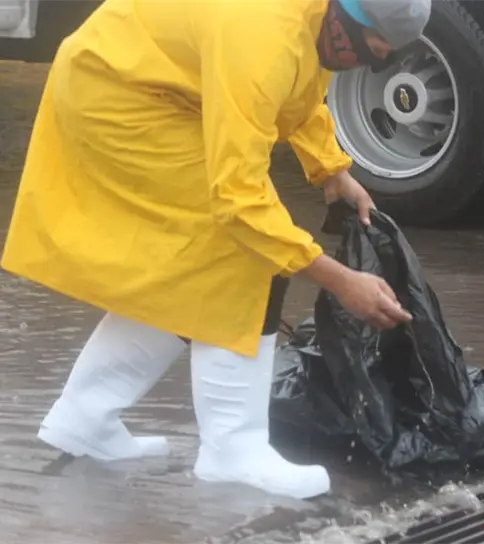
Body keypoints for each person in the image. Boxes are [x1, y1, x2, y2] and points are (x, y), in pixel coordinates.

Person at [0, 0, 430, 500]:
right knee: (240, 252)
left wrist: (333, 170)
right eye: (371, 51)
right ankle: (234, 451)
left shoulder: (314, 23)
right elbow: (239, 201)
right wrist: (341, 281)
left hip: (154, 84)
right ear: (346, 18)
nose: (369, 65)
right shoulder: (262, 33)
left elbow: (296, 89)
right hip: (118, 97)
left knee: (190, 267)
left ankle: (86, 415)